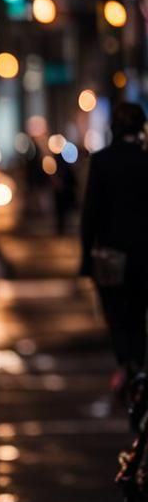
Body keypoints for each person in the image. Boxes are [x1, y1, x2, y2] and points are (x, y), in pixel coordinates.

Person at [80, 101, 148, 385]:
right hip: (145, 252)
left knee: (116, 310)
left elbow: (90, 212)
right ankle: (140, 364)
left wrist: (86, 256)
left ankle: (126, 363)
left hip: (110, 252)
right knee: (140, 310)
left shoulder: (102, 161)